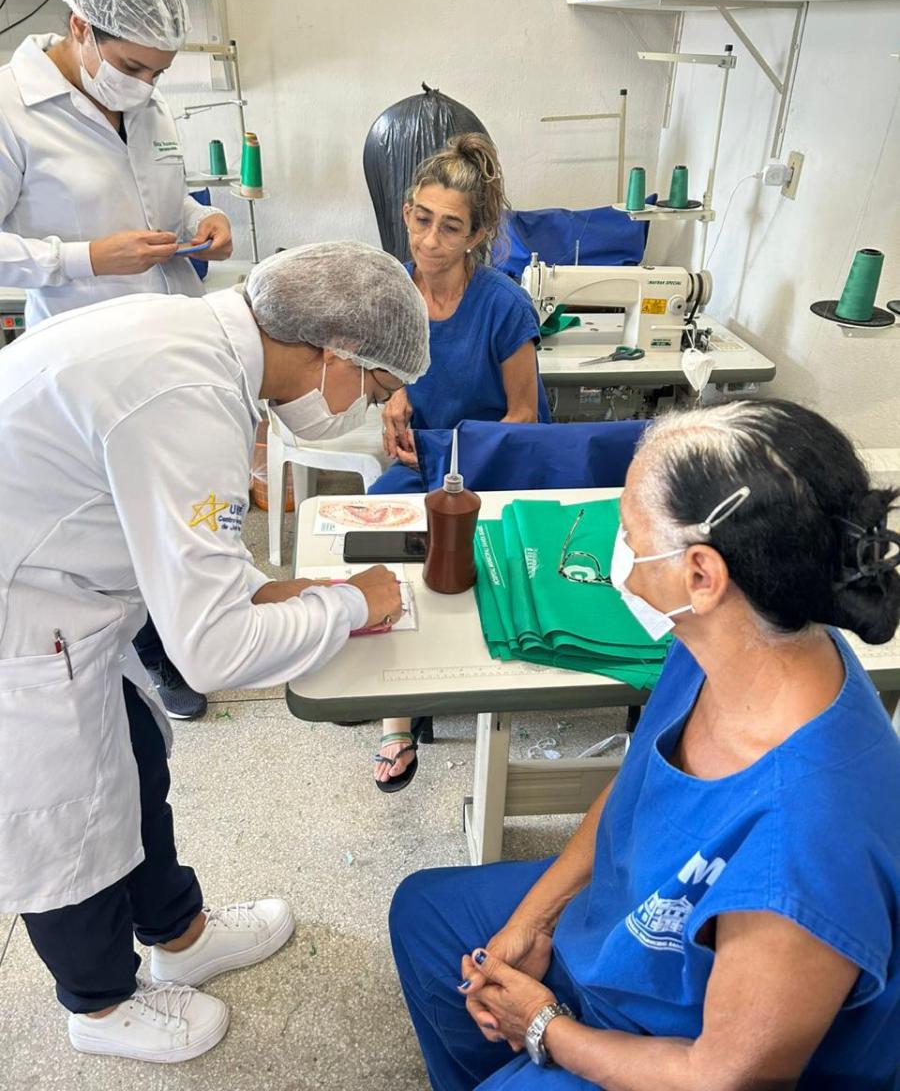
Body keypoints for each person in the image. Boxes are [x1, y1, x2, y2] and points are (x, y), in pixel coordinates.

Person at [0, 241, 430, 1064]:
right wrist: (346, 602)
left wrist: (302, 597)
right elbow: (214, 654)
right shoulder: (191, 396)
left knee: (133, 757)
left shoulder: (197, 343)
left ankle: (178, 933)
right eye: (375, 388)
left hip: (69, 583)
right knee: (67, 806)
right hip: (23, 613)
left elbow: (205, 573)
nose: (371, 409)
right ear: (334, 353)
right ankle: (97, 1006)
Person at [390, 399, 900, 1091]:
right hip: (632, 947)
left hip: (684, 1050)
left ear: (700, 575)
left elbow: (720, 1077)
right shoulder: (732, 638)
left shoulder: (805, 847)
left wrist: (545, 1029)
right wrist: (537, 918)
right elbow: (639, 789)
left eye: (629, 533)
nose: (617, 556)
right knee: (424, 916)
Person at [0, 0, 233, 720]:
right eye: (134, 66)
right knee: (112, 522)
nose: (147, 84)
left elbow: (159, 195)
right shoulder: (10, 107)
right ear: (77, 27)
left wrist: (205, 218)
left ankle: (181, 629)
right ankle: (140, 653)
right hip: (84, 360)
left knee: (174, 502)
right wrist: (83, 258)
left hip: (173, 340)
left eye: (159, 73)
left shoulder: (140, 102)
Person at [370, 133, 550, 791]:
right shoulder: (394, 291)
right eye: (421, 219)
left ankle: (487, 662)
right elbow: (386, 372)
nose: (430, 241)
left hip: (495, 463)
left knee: (467, 556)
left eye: (450, 228)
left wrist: (454, 456)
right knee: (384, 537)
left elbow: (524, 417)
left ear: (476, 237)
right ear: (406, 211)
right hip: (422, 462)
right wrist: (391, 397)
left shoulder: (503, 304)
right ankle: (398, 710)